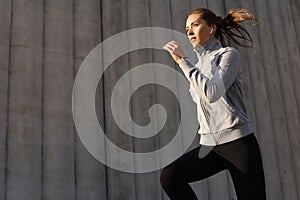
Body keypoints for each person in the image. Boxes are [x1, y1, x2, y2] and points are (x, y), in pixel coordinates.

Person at [161, 8, 266, 200]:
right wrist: (187, 64)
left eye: (195, 25)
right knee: (170, 176)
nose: (189, 31)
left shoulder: (228, 55)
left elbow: (212, 93)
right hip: (210, 146)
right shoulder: (197, 66)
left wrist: (183, 61)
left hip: (238, 144)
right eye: (186, 28)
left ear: (212, 28)